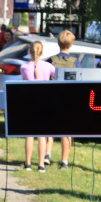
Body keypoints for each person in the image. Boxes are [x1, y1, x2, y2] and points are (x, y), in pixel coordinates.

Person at [20, 40, 56, 171]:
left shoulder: (24, 67)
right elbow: (56, 76)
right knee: (42, 136)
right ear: (42, 52)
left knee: (29, 135)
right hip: (44, 103)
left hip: (29, 103)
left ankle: (28, 163)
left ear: (30, 52)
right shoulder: (48, 66)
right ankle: (41, 165)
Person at [46, 30, 78, 169]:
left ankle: (47, 153)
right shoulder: (75, 62)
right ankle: (64, 160)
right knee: (66, 132)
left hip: (52, 97)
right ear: (71, 44)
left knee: (50, 129)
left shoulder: (51, 60)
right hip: (69, 99)